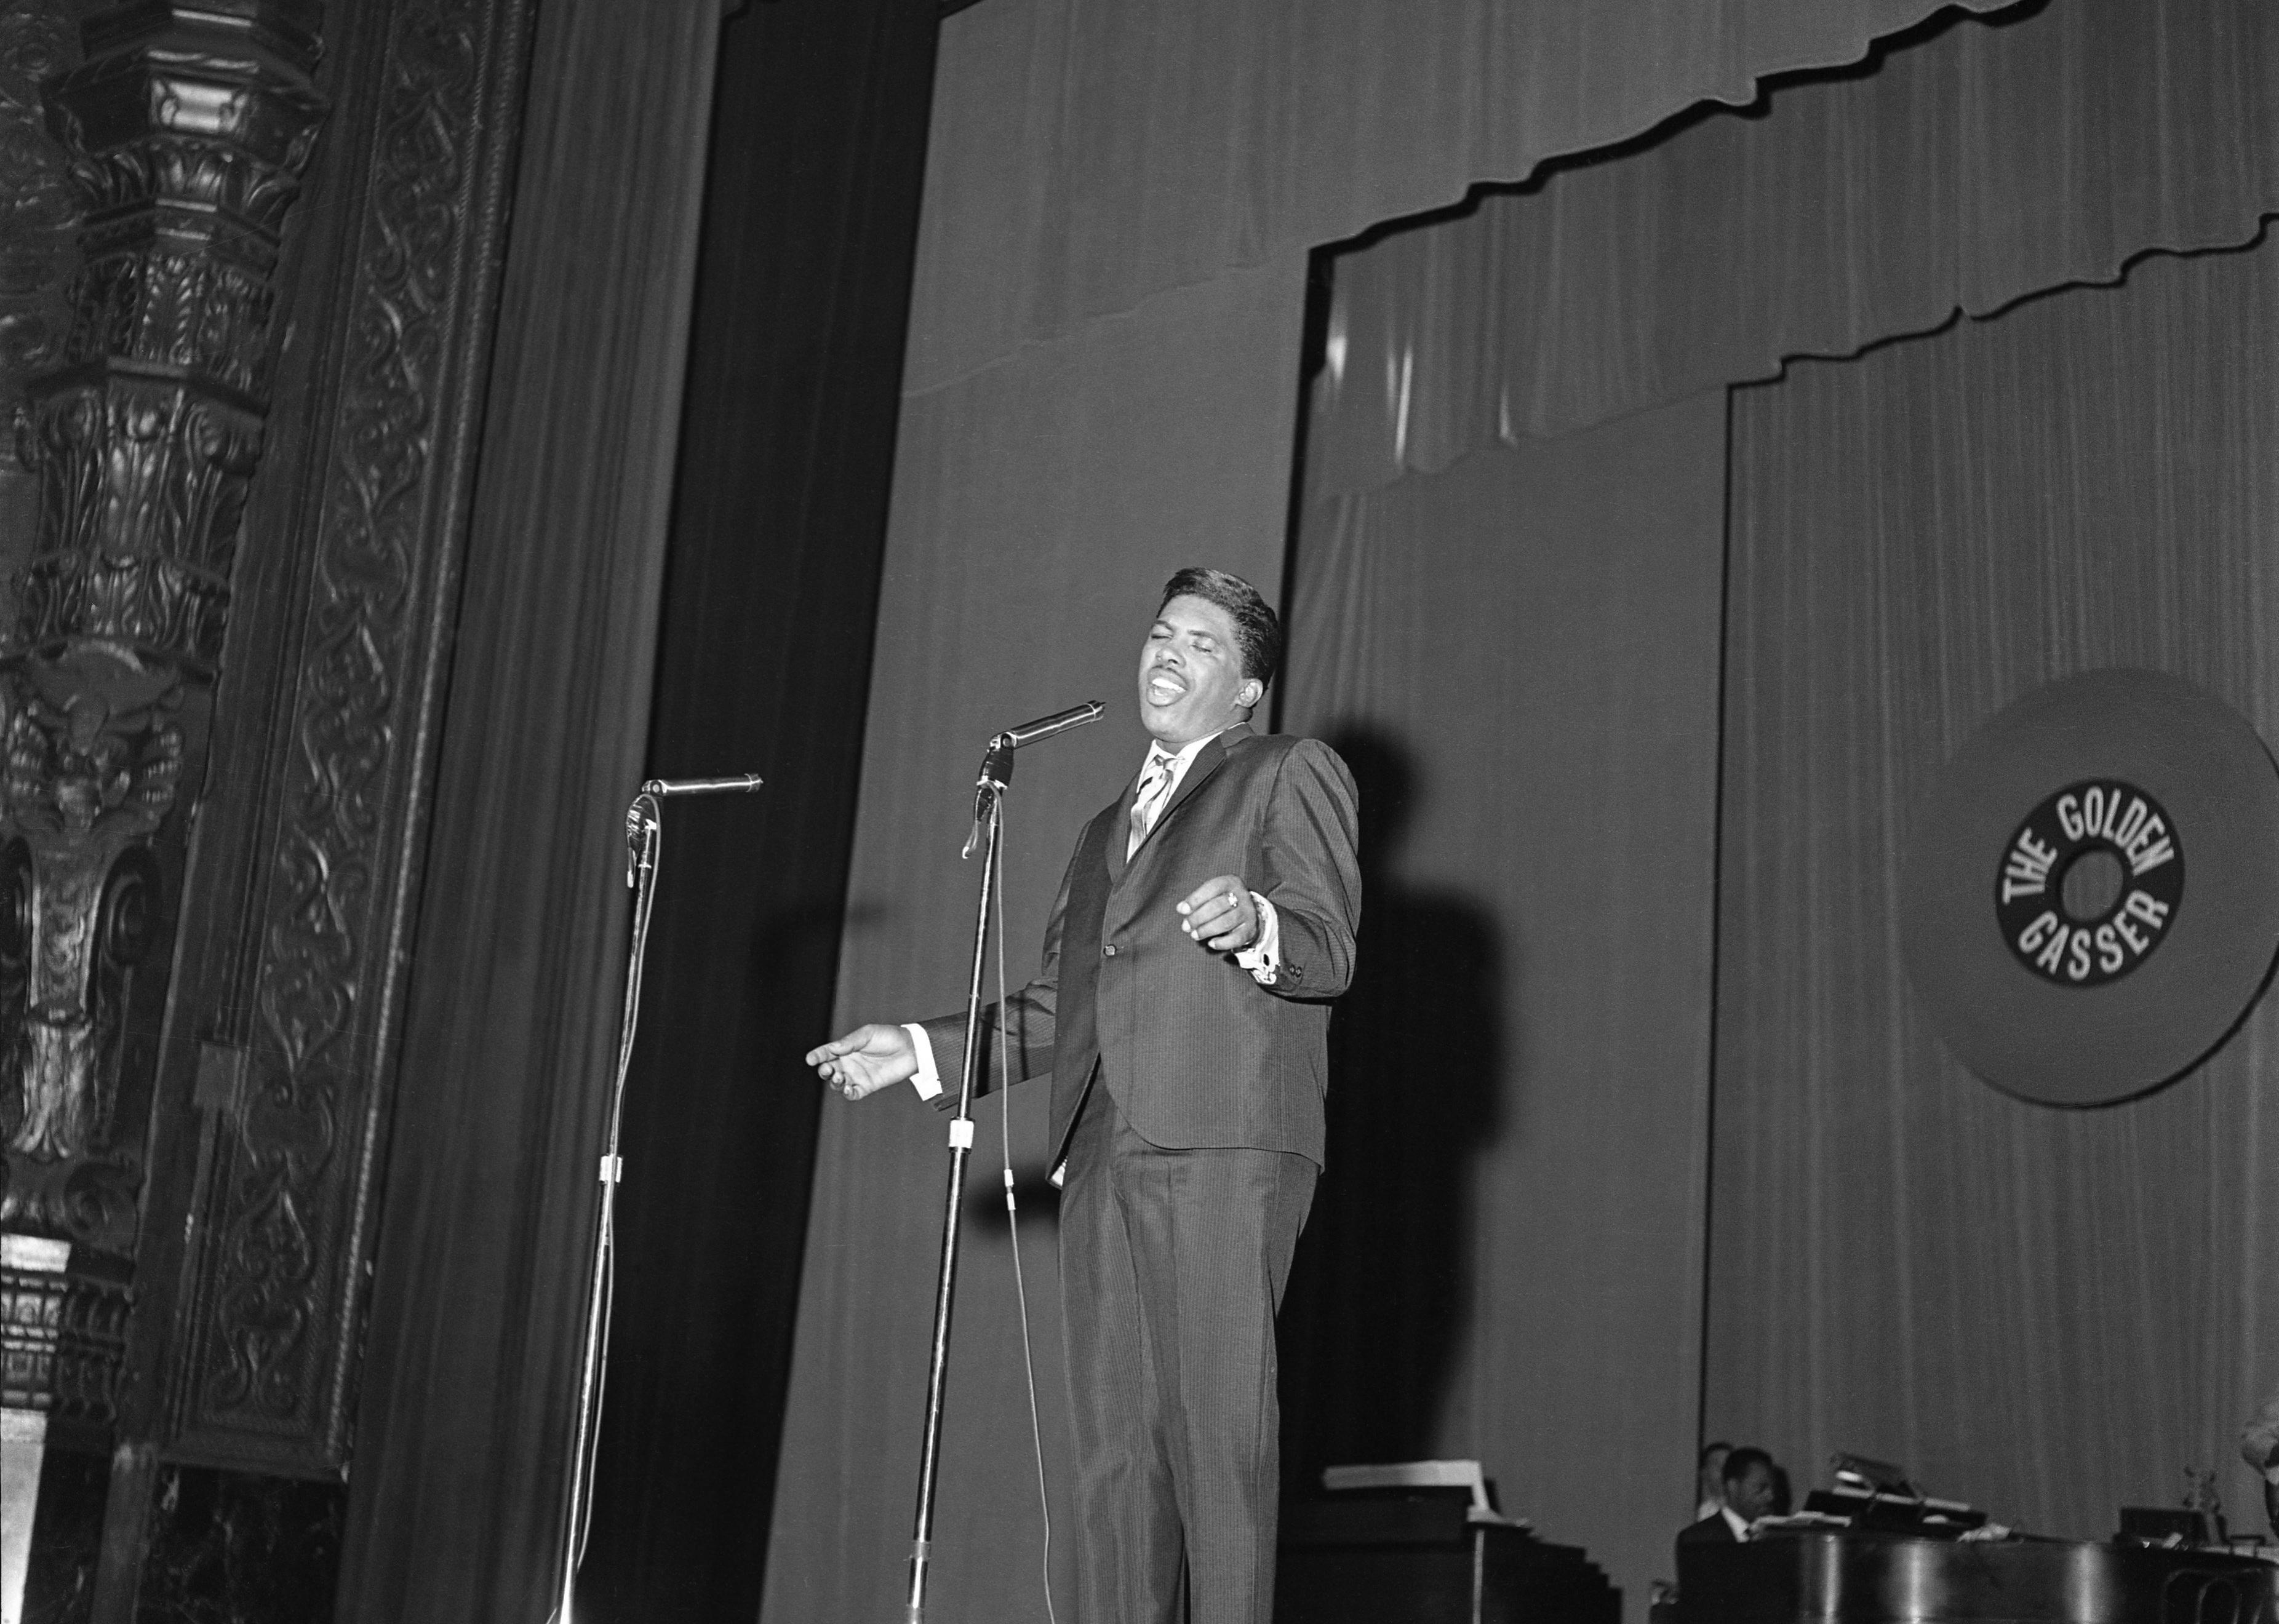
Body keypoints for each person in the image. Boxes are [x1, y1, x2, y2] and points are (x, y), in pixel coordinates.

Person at [807, 567, 1362, 1624]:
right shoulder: (1101, 827)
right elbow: (1061, 1005)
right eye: (1161, 632)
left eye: (1202, 642)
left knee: (1217, 1443)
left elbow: (1326, 942)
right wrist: (920, 1049)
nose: (1169, 651)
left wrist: (1257, 925)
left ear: (1248, 689)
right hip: (1102, 1147)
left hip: (1222, 1141)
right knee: (1113, 1463)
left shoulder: (1289, 771)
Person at [1678, 1446, 1780, 1550]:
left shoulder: (1778, 1536)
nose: (1770, 1497)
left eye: (1773, 1489)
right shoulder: (1698, 1538)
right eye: (1761, 1488)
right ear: (1733, 1487)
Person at [1695, 1440, 1733, 1521]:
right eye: (1717, 1465)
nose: (1724, 1471)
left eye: (1728, 1465)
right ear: (1704, 1473)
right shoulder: (1701, 1513)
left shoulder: (1750, 1511)